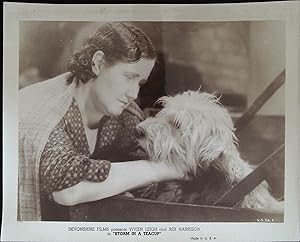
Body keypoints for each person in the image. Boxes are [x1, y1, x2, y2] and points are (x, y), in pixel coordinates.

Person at [18, 22, 186, 221]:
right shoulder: (46, 112)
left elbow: (146, 183)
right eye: (128, 77)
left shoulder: (126, 117)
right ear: (97, 63)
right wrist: (161, 170)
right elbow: (65, 190)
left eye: (139, 82)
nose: (134, 93)